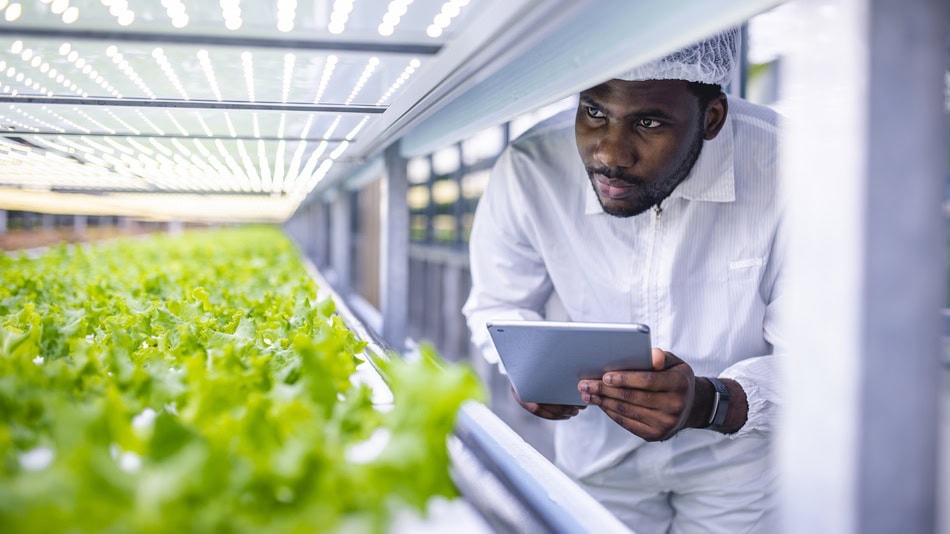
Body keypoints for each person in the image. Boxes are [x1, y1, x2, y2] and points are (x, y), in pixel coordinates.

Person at [462, 28, 783, 533]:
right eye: (594, 112)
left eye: (648, 122)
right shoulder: (532, 167)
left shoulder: (789, 168)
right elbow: (496, 303)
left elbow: (825, 357)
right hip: (597, 460)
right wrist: (526, 365)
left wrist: (711, 401)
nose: (610, 152)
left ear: (712, 118)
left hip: (738, 467)